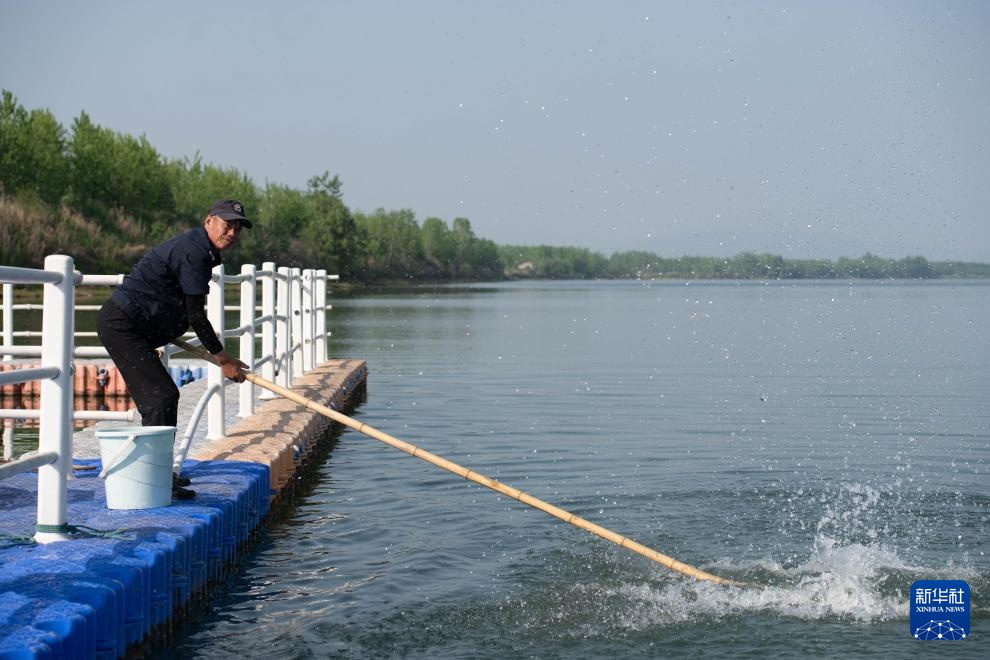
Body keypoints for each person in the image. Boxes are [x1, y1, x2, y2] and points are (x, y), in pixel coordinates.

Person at [96, 199, 251, 500]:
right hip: (122, 325)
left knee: (164, 397)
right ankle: (153, 480)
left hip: (137, 329)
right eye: (227, 224)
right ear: (209, 221)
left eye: (237, 228)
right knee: (160, 397)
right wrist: (223, 358)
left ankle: (160, 475)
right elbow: (195, 314)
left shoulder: (201, 249)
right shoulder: (195, 252)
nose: (232, 232)